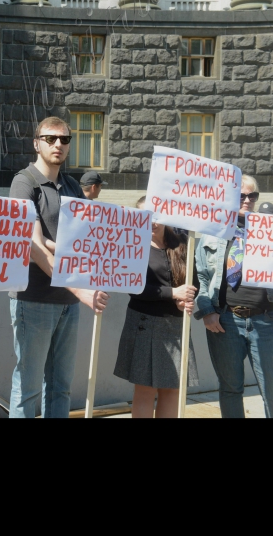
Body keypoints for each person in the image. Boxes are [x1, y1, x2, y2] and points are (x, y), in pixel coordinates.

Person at [9, 117, 109, 419]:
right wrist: (81, 289)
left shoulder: (73, 187)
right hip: (34, 298)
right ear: (36, 143)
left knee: (61, 387)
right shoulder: (24, 182)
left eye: (64, 140)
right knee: (28, 388)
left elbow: (85, 241)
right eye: (51, 139)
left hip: (68, 301)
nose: (58, 145)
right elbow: (34, 247)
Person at [196, 175, 273, 419]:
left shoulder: (268, 230)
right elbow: (201, 277)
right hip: (225, 320)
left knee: (271, 389)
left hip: (265, 320)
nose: (247, 200)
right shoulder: (213, 231)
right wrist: (207, 312)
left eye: (252, 196)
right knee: (230, 388)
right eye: (241, 196)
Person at [114, 197, 198, 419]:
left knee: (172, 389)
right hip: (145, 322)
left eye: (156, 216)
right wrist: (173, 293)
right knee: (145, 390)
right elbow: (134, 288)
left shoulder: (181, 242)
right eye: (145, 216)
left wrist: (185, 299)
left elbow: (193, 281)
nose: (152, 222)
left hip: (176, 325)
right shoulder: (131, 245)